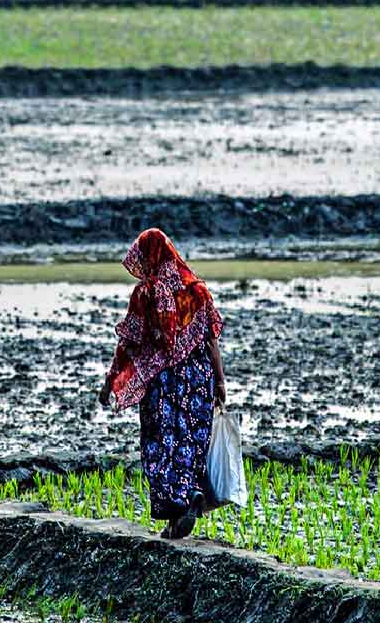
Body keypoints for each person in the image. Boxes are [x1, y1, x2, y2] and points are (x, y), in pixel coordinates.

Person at [99, 228, 226, 540]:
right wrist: (220, 382)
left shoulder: (146, 294)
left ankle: (177, 511)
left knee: (161, 446)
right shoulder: (194, 290)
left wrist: (109, 383)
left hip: (163, 385)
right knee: (190, 444)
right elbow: (210, 340)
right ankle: (190, 497)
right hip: (198, 380)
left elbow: (128, 344)